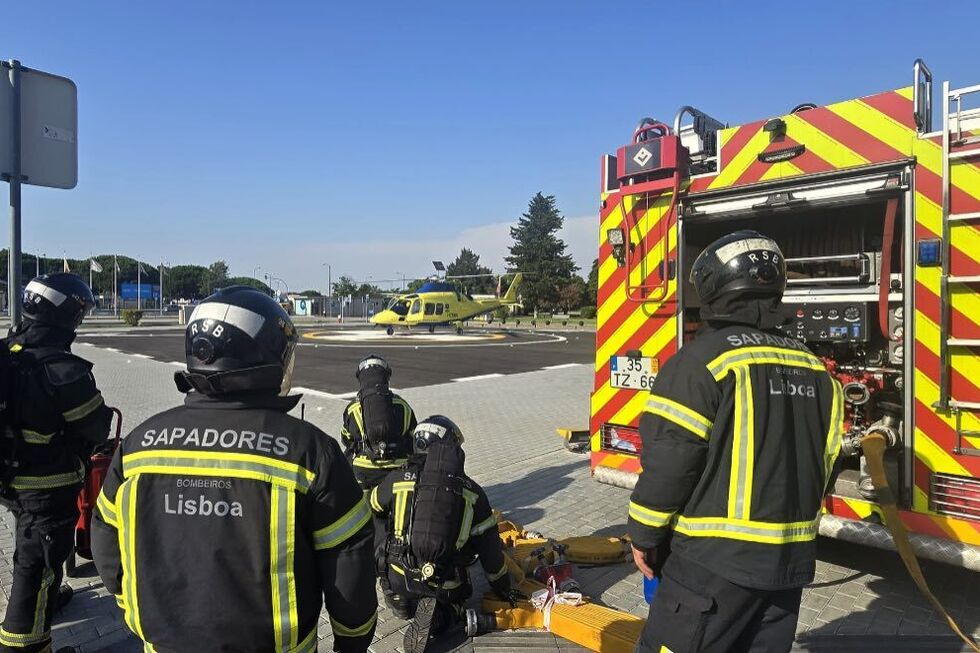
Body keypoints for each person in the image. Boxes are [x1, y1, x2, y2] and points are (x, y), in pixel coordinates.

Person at [90, 286, 377, 652]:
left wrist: (141, 610)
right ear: (265, 358)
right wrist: (353, 641)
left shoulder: (138, 444)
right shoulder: (311, 452)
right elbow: (349, 563)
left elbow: (105, 541)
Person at [627, 231, 843, 653]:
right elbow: (827, 461)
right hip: (788, 567)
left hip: (711, 567)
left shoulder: (700, 362)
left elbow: (671, 462)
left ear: (710, 287)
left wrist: (644, 535)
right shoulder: (816, 369)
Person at [0, 274, 111, 653]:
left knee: (31, 548)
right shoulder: (64, 369)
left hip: (10, 480)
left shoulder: (6, 351)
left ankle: (49, 598)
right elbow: (96, 426)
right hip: (46, 484)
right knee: (37, 567)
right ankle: (25, 644)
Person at [370, 415, 519, 653]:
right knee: (458, 598)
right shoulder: (471, 492)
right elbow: (490, 552)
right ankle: (443, 616)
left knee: (378, 519)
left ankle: (395, 594)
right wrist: (503, 587)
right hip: (445, 582)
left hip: (399, 574)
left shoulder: (397, 479)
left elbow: (372, 506)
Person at [340, 355, 417, 491]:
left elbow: (346, 439)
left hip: (365, 468)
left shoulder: (353, 408)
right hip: (398, 469)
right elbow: (413, 438)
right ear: (386, 378)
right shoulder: (402, 405)